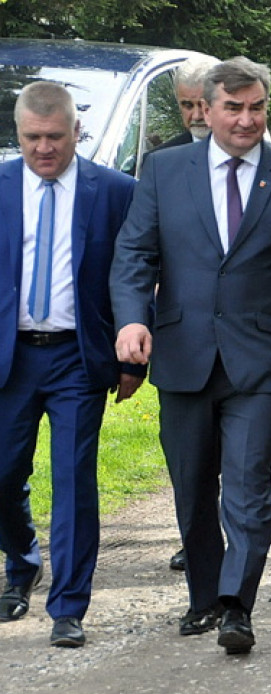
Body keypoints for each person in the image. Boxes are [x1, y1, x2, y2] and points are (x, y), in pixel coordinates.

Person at [111, 57, 271, 655]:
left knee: (247, 489)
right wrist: (134, 318)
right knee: (191, 488)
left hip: (258, 361)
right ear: (205, 111)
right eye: (233, 108)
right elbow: (135, 253)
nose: (245, 120)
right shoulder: (164, 171)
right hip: (184, 355)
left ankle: (238, 604)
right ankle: (205, 595)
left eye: (256, 108)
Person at [0, 82, 141, 647]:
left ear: (76, 131)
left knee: (74, 481)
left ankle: (69, 607)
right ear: (18, 134)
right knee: (4, 474)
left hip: (78, 358)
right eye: (32, 138)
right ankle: (22, 562)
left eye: (55, 137)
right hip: (11, 360)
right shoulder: (3, 187)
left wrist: (132, 357)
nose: (44, 149)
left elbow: (134, 275)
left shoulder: (114, 192)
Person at [145, 52, 221, 573]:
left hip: (243, 331)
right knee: (186, 454)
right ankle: (196, 533)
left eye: (201, 104)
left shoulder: (268, 161)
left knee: (232, 451)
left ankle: (230, 537)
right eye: (185, 105)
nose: (195, 115)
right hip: (180, 331)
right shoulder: (160, 164)